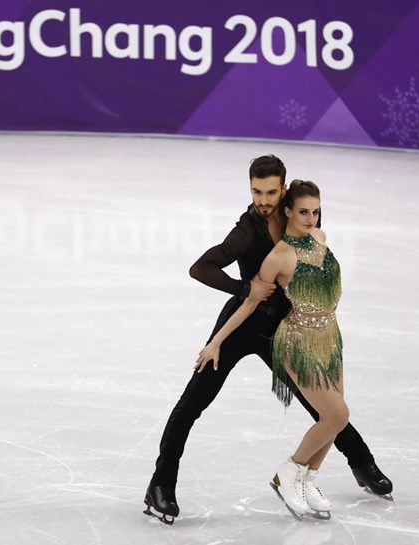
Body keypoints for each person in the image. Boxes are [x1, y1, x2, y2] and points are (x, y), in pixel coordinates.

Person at [143, 156, 392, 525]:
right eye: (257, 191)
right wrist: (245, 287)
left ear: (284, 189)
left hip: (283, 330)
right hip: (242, 324)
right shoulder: (247, 230)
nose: (263, 199)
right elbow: (200, 268)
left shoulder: (299, 213)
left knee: (324, 405)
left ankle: (362, 463)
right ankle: (160, 485)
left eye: (271, 191)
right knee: (192, 403)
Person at [196, 179, 344, 519]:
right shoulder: (278, 257)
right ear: (288, 211)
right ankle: (289, 472)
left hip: (330, 336)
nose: (311, 219)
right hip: (298, 341)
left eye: (316, 212)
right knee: (338, 415)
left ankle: (307, 478)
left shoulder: (320, 238)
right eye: (303, 212)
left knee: (331, 420)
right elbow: (247, 303)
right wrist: (215, 342)